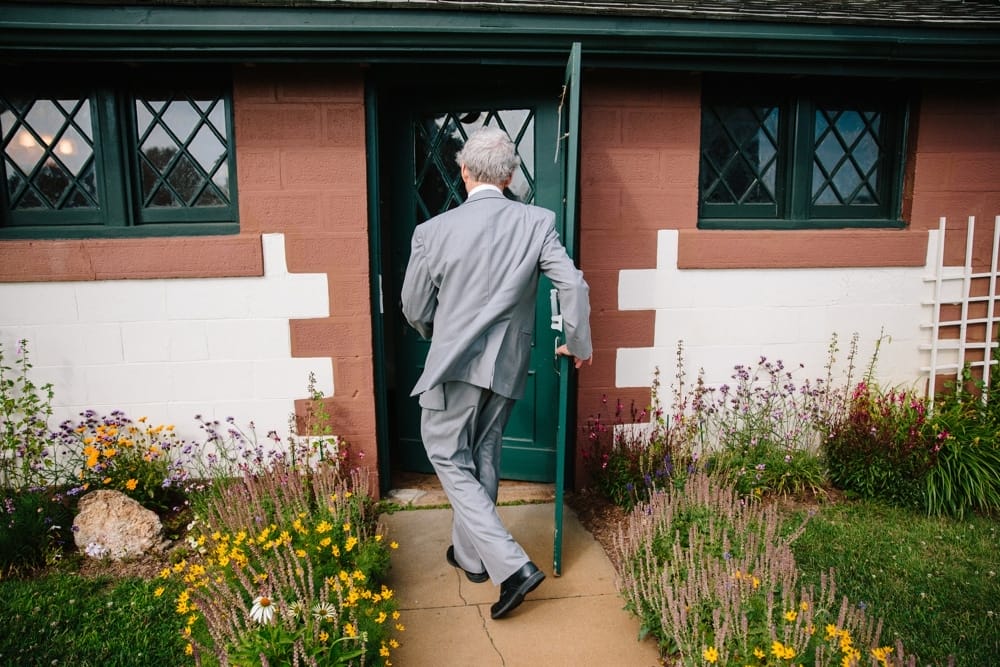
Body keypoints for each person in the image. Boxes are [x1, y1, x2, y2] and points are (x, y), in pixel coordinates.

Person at [401, 125, 592, 620]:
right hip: (507, 365)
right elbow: (571, 284)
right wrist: (578, 342)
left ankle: (511, 568)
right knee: (483, 452)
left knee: (446, 454)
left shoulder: (432, 232)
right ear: (508, 176)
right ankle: (471, 556)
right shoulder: (537, 222)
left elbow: (414, 305)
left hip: (453, 365)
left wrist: (431, 332)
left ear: (464, 172)